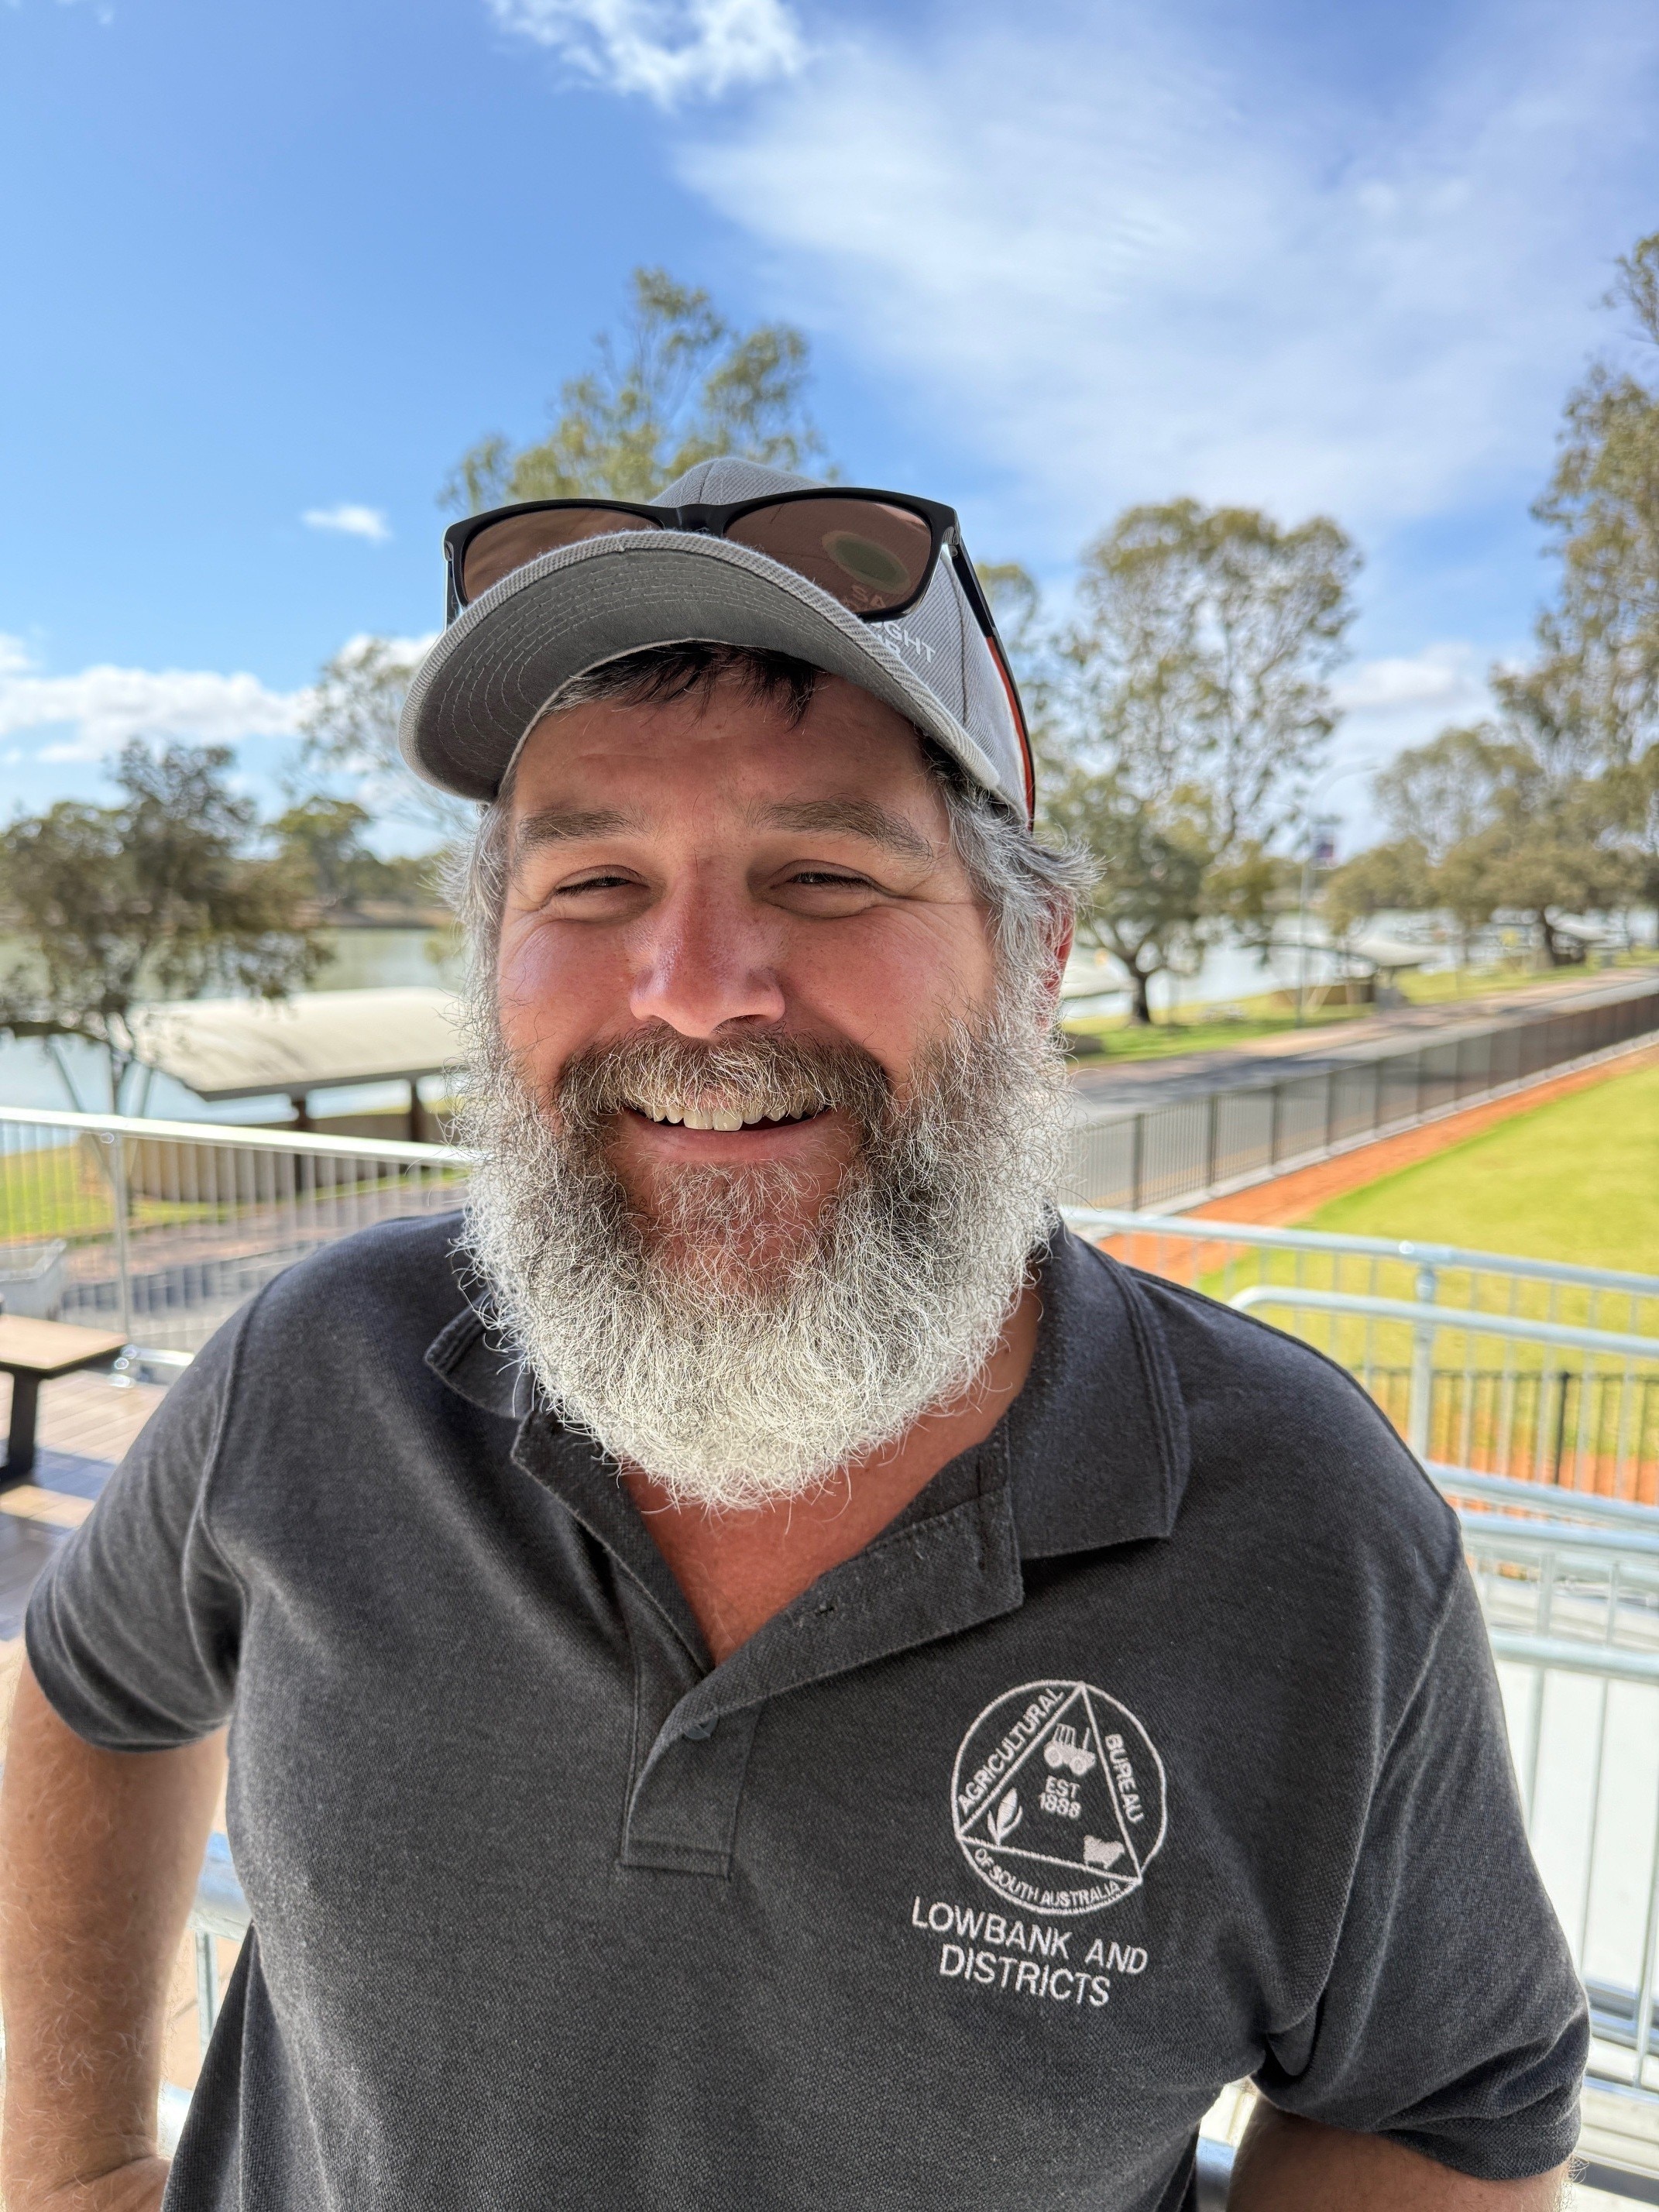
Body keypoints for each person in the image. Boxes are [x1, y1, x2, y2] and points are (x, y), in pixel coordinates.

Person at [0, 459, 1585, 2212]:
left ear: (1032, 952)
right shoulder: (317, 1370)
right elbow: (83, 1699)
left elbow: (1441, 2093)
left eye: (824, 876)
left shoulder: (1305, 1524)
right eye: (593, 885)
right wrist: (78, 2175)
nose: (693, 987)